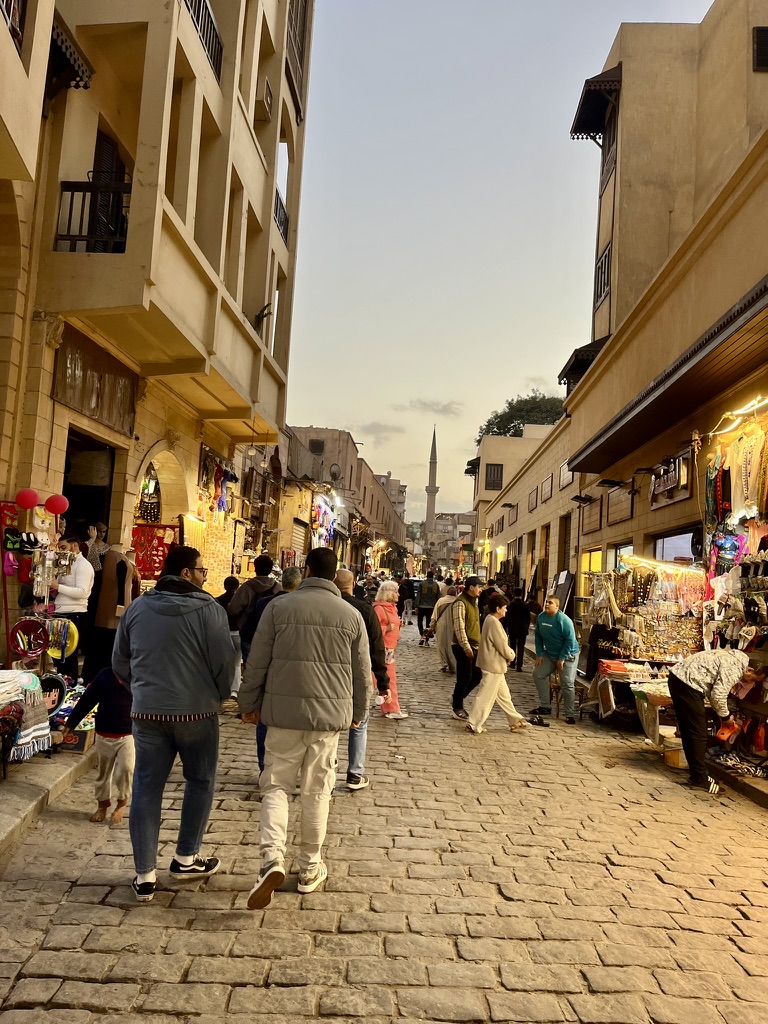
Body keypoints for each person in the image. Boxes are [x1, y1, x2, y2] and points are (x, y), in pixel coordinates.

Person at [239, 547, 370, 909]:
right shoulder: (351, 614)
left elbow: (257, 663)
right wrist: (358, 711)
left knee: (276, 787)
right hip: (327, 721)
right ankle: (310, 867)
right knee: (317, 791)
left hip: (282, 715)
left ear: (307, 570)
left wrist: (247, 704)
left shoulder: (278, 608)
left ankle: (271, 859)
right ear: (333, 577)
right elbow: (362, 673)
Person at [112, 545, 238, 903]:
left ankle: (144, 875)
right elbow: (225, 664)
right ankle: (186, 856)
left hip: (148, 713)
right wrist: (216, 693)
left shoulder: (138, 608)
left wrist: (140, 688)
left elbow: (119, 660)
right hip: (196, 712)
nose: (203, 577)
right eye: (201, 571)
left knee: (147, 786)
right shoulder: (210, 611)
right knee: (200, 780)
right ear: (185, 572)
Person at [668, 650, 767, 794]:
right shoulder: (735, 667)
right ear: (749, 670)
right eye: (753, 680)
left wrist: (722, 714)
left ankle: (698, 774)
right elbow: (718, 695)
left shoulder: (732, 658)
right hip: (687, 684)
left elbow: (714, 693)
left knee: (691, 731)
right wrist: (726, 718)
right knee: (699, 734)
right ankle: (699, 777)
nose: (750, 683)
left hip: (679, 679)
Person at [239, 565, 303, 773]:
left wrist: (251, 660)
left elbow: (246, 635)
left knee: (263, 718)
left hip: (263, 670)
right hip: (285, 673)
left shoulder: (264, 604)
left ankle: (263, 765)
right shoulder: (295, 607)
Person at [335, 569, 391, 788]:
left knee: (329, 723)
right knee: (359, 723)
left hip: (331, 674)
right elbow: (377, 648)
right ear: (354, 584)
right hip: (359, 674)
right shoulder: (365, 610)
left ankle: (327, 770)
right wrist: (383, 683)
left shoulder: (326, 607)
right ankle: (355, 773)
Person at [63, 668, 133, 825]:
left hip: (129, 733)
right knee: (103, 772)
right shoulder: (105, 675)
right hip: (104, 733)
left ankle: (122, 802)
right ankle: (102, 805)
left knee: (126, 768)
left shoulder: (139, 674)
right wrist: (72, 722)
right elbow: (88, 699)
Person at [467, 593, 528, 734]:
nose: (506, 610)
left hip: (495, 665)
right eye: (504, 608)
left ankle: (515, 721)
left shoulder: (490, 620)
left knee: (504, 696)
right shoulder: (493, 622)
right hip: (493, 665)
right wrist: (512, 655)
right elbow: (502, 645)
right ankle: (474, 722)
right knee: (485, 696)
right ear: (498, 608)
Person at [50, 536, 96, 681]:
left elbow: (82, 592)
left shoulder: (83, 566)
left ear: (75, 546)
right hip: (62, 612)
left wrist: (58, 586)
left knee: (68, 656)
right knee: (59, 656)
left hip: (74, 614)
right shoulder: (67, 563)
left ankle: (70, 687)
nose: (60, 551)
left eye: (63, 548)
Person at [532, 594, 580, 724]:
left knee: (567, 683)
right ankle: (545, 706)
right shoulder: (541, 617)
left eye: (550, 603)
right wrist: (539, 654)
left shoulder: (563, 620)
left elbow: (570, 640)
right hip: (550, 654)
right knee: (538, 674)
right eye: (546, 602)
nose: (547, 604)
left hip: (568, 655)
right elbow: (538, 636)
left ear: (557, 607)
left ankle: (569, 714)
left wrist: (562, 657)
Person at [373, 580, 408, 719]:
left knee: (386, 679)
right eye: (396, 592)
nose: (398, 595)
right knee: (388, 679)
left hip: (389, 648)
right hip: (383, 649)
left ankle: (388, 706)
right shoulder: (379, 609)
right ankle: (391, 708)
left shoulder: (391, 607)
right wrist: (386, 629)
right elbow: (372, 630)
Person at [451, 576, 483, 720]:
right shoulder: (460, 602)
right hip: (462, 645)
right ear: (471, 587)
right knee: (464, 677)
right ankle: (457, 706)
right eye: (479, 587)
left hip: (474, 644)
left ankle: (457, 697)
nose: (480, 590)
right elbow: (459, 626)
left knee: (476, 675)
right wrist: (465, 645)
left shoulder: (474, 602)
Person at [226, 554, 281, 633]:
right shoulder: (277, 588)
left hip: (249, 632)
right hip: (269, 632)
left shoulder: (246, 587)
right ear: (270, 570)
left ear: (255, 568)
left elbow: (233, 609)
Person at [217, 576, 242, 699]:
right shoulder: (240, 601)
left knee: (225, 663)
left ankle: (224, 687)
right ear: (237, 587)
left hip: (224, 633)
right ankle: (235, 690)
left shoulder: (218, 600)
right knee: (237, 663)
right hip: (237, 633)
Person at [429, 586, 457, 673]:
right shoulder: (457, 601)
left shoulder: (441, 601)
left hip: (441, 625)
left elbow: (435, 615)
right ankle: (453, 665)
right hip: (454, 626)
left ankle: (444, 664)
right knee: (451, 646)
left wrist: (432, 626)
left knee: (441, 645)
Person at [505, 587, 531, 672]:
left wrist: (506, 627)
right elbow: (528, 618)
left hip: (512, 629)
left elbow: (507, 618)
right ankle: (519, 665)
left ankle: (512, 663)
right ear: (521, 594)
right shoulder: (525, 605)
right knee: (521, 647)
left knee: (512, 646)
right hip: (522, 629)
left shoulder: (510, 605)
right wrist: (526, 626)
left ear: (513, 594)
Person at [417, 570, 440, 641]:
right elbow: (438, 597)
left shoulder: (422, 584)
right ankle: (427, 639)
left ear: (427, 576)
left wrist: (416, 605)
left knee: (420, 621)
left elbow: (418, 595)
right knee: (428, 622)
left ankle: (422, 635)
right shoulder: (436, 585)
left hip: (421, 606)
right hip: (431, 607)